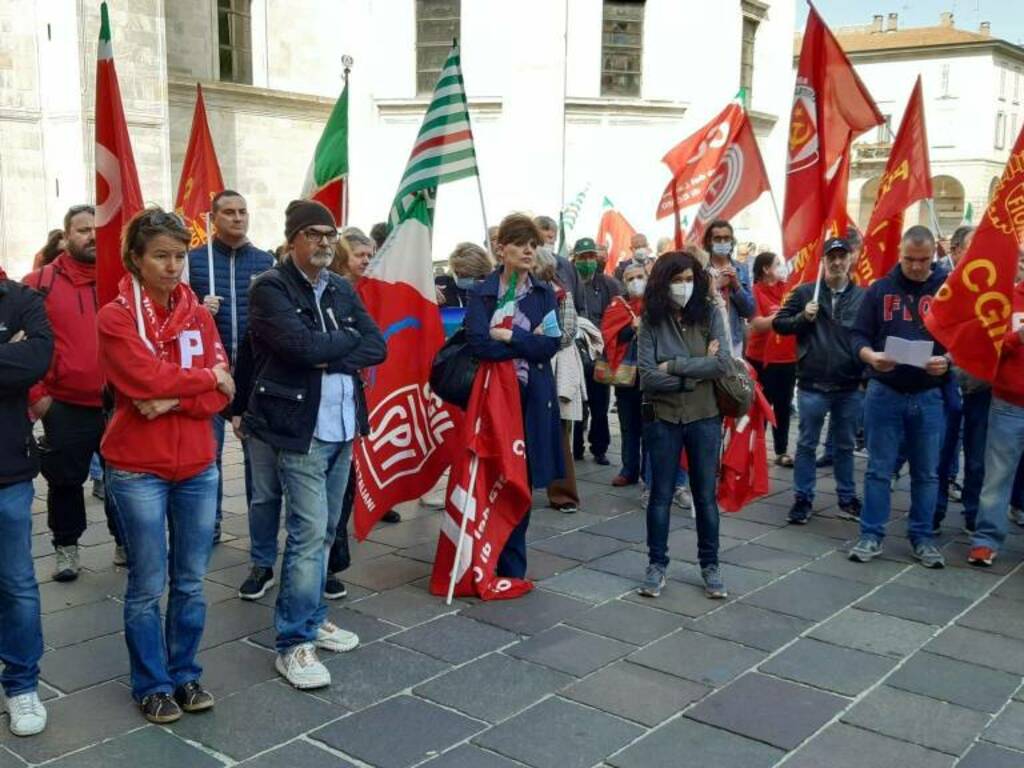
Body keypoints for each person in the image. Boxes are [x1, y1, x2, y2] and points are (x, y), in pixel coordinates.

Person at [97, 207, 234, 723]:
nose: (174, 266)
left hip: (198, 463)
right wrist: (201, 380)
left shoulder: (198, 312)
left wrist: (174, 397)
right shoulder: (115, 316)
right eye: (161, 256)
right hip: (138, 469)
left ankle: (185, 673)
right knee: (147, 582)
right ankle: (151, 684)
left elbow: (226, 391)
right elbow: (144, 383)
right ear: (136, 259)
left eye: (180, 256)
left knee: (192, 581)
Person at [245, 200, 385, 689]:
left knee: (326, 532)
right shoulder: (270, 288)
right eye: (314, 234)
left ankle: (311, 614)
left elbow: (377, 345)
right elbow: (298, 348)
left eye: (330, 234)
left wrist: (329, 350)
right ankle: (293, 643)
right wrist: (337, 345)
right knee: (307, 534)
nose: (326, 241)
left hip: (345, 424)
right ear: (292, 239)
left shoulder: (342, 288)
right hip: (300, 428)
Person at [23, 204, 121, 580]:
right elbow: (20, 345)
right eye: (83, 229)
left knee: (122, 480)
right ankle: (67, 549)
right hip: (63, 405)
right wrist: (38, 396)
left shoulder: (121, 278)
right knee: (64, 482)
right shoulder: (38, 283)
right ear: (66, 237)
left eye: (98, 229)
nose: (93, 236)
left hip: (118, 404)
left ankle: (124, 542)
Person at [465, 213, 562, 578]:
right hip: (494, 398)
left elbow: (549, 344)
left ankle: (513, 565)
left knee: (522, 476)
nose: (528, 250)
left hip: (532, 396)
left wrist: (511, 338)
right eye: (520, 243)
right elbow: (478, 343)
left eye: (534, 244)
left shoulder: (542, 293)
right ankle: (485, 555)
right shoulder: (484, 292)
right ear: (501, 248)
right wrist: (523, 344)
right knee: (493, 473)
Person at [850, 226, 950, 568]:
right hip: (885, 390)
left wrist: (947, 361)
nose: (917, 267)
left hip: (928, 392)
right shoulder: (880, 290)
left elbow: (964, 336)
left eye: (923, 261)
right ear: (899, 254)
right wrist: (871, 357)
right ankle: (871, 535)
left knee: (927, 472)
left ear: (934, 256)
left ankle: (922, 537)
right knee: (879, 469)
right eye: (909, 259)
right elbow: (858, 336)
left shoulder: (947, 289)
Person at [637, 249, 730, 599]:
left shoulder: (709, 313)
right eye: (677, 280)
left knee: (705, 496)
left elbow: (721, 364)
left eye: (690, 279)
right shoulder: (651, 319)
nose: (684, 286)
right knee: (660, 496)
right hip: (663, 418)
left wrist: (674, 367)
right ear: (664, 282)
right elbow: (647, 376)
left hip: (704, 416)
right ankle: (656, 565)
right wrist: (695, 372)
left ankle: (711, 566)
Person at [186, 190, 274, 544]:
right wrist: (196, 310)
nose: (238, 218)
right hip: (210, 377)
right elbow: (173, 317)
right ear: (213, 218)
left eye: (242, 211)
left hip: (253, 379)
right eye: (229, 212)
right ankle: (212, 524)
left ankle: (260, 529)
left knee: (258, 462)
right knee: (209, 460)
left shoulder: (265, 261)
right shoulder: (194, 261)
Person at [773, 238, 865, 525]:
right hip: (813, 383)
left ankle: (847, 498)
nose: (837, 262)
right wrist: (803, 316)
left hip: (849, 385)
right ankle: (803, 498)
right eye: (831, 257)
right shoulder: (804, 293)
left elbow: (870, 335)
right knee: (806, 444)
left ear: (850, 259)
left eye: (842, 256)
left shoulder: (863, 297)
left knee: (845, 445)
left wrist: (865, 376)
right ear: (823, 261)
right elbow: (779, 324)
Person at [0, 263, 53, 736]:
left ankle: (21, 685)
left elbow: (37, 360)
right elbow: (16, 364)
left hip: (7, 471)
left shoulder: (21, 299)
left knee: (16, 584)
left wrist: (18, 357)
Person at [967, 246, 1024, 567]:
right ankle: (986, 540)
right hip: (1008, 404)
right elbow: (988, 348)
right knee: (997, 477)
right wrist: (1017, 338)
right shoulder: (1007, 300)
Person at [933, 224, 975, 533]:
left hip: (983, 384)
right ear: (956, 250)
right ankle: (934, 511)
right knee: (942, 450)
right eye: (972, 246)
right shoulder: (941, 286)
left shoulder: (994, 290)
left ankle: (974, 514)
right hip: (947, 378)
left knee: (978, 456)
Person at [536, 246, 584, 514]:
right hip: (521, 365)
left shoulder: (560, 294)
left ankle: (563, 493)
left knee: (558, 432)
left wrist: (531, 339)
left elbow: (566, 333)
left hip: (552, 365)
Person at [571, 237, 622, 465]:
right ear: (575, 259)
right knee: (577, 405)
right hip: (575, 354)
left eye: (591, 256)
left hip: (601, 354)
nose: (588, 261)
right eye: (583, 257)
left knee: (600, 405)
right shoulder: (568, 283)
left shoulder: (608, 284)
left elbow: (617, 316)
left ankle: (599, 448)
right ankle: (576, 447)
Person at [747, 252, 798, 467]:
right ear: (766, 269)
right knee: (760, 407)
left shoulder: (788, 289)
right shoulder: (755, 292)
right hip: (760, 359)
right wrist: (783, 316)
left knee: (783, 407)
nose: (781, 268)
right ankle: (754, 451)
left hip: (786, 358)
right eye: (777, 264)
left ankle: (781, 450)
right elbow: (757, 324)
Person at [604, 260, 646, 487]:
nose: (636, 282)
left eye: (640, 276)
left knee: (650, 427)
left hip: (651, 376)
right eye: (630, 278)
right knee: (628, 426)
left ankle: (649, 471)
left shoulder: (657, 305)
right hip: (626, 377)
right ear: (624, 282)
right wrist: (631, 328)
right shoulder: (617, 306)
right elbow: (610, 338)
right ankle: (629, 469)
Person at [702, 219, 754, 356]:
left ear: (732, 241)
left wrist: (736, 285)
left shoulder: (741, 269)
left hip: (734, 340)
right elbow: (693, 306)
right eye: (717, 239)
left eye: (726, 238)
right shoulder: (701, 269)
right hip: (708, 341)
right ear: (709, 241)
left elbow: (749, 310)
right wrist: (716, 285)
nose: (722, 242)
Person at [436, 242, 492, 308]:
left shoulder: (493, 287)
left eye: (470, 275)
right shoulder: (442, 284)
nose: (461, 277)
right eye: (459, 274)